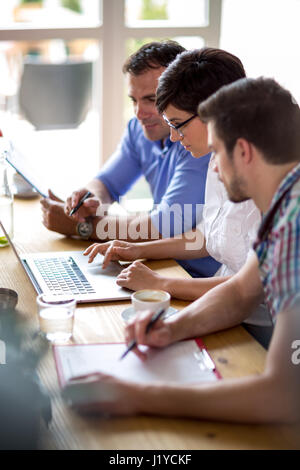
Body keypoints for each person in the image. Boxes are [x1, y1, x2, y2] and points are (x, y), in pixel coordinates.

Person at [63, 77, 300, 423]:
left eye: (217, 152)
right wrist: (172, 328)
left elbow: (282, 396)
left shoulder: (292, 226)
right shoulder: (284, 204)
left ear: (244, 152)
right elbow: (239, 291)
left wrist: (136, 395)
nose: (214, 168)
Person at [83, 48, 270, 342]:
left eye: (178, 124)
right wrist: (140, 249)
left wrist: (160, 282)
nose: (173, 137)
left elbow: (247, 289)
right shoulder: (216, 156)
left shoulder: (270, 179)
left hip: (261, 326)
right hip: (225, 311)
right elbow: (208, 235)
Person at [41, 41, 219, 278]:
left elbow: (164, 226)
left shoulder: (199, 143)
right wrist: (90, 198)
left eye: (151, 99)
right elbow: (107, 182)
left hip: (198, 276)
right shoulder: (139, 129)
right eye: (133, 100)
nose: (139, 113)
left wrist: (82, 227)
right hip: (161, 264)